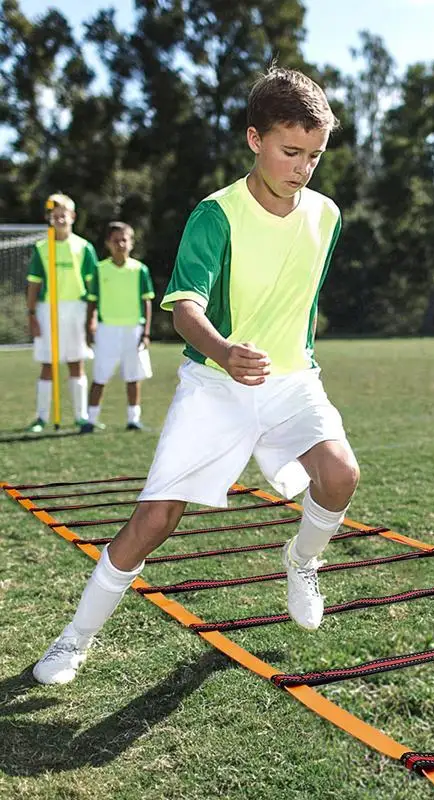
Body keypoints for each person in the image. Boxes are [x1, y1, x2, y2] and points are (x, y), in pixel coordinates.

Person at [33, 65, 360, 685]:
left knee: (341, 474)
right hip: (215, 382)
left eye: (315, 155)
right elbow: (185, 309)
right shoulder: (215, 214)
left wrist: (288, 357)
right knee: (155, 519)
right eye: (290, 152)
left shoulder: (327, 215)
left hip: (292, 381)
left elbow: (303, 301)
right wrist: (225, 351)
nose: (303, 168)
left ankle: (301, 561)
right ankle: (74, 639)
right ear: (254, 139)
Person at [25, 193, 96, 432]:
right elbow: (33, 283)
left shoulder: (84, 247)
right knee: (48, 364)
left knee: (76, 363)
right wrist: (31, 314)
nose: (59, 219)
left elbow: (92, 287)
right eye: (54, 216)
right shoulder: (41, 247)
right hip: (47, 309)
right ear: (49, 218)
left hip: (77, 308)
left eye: (63, 215)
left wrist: (92, 317)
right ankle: (41, 418)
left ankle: (81, 416)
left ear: (73, 216)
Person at [81, 221, 155, 433]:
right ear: (108, 243)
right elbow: (92, 302)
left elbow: (147, 301)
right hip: (107, 330)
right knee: (100, 376)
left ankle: (133, 419)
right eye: (115, 240)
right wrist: (89, 327)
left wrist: (146, 332)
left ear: (131, 243)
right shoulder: (99, 269)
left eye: (124, 240)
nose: (120, 244)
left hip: (134, 329)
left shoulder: (140, 270)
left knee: (133, 377)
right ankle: (91, 419)